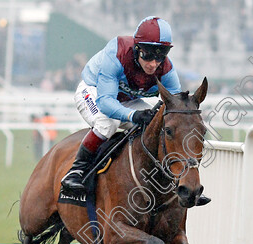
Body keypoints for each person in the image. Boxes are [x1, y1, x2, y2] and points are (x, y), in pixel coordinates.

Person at [60, 16, 210, 206]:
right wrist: (133, 115)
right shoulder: (116, 54)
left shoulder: (167, 70)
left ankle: (181, 182)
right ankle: (77, 170)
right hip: (94, 91)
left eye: (160, 56)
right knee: (108, 123)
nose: (153, 63)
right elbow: (106, 102)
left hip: (127, 99)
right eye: (148, 55)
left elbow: (176, 108)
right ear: (137, 48)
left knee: (156, 126)